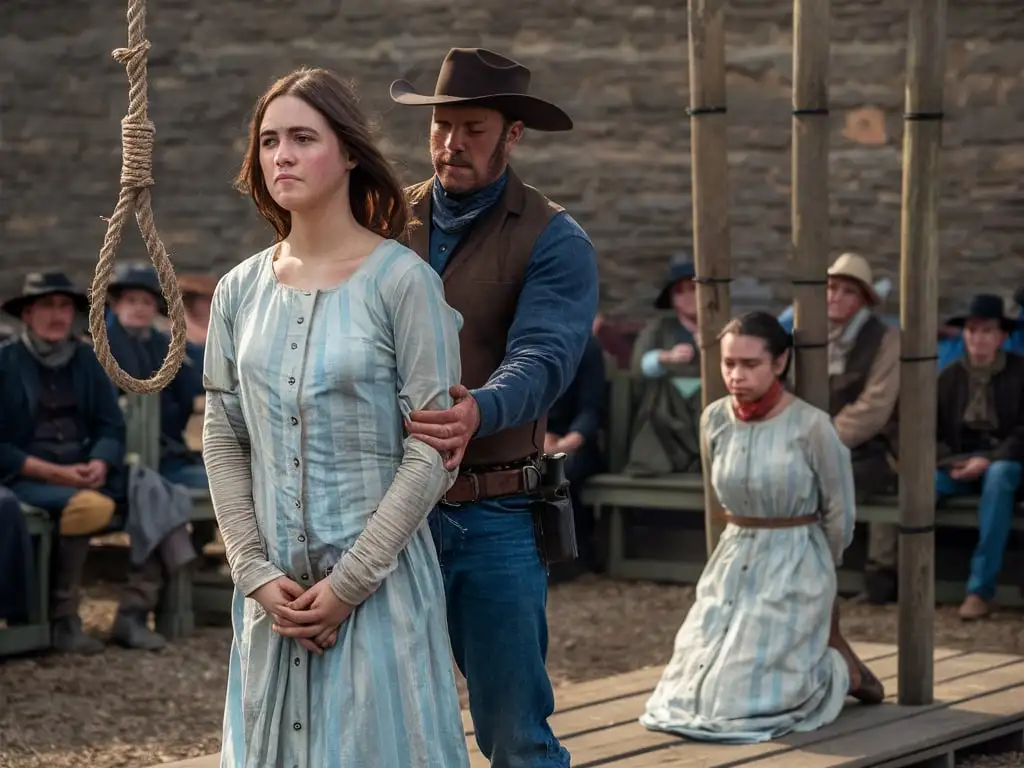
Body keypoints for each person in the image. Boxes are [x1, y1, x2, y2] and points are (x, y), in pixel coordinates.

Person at [202, 68, 470, 767]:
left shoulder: (405, 283)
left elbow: (432, 452)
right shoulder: (239, 290)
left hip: (376, 595)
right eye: (268, 141)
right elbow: (224, 437)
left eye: (301, 138)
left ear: (349, 152)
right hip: (274, 603)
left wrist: (348, 585)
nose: (280, 155)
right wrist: (253, 571)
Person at [393, 48, 600, 767]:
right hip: (386, 507)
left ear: (513, 135)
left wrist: (478, 409)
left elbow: (543, 358)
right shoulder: (382, 219)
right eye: (442, 127)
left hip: (495, 509)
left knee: (514, 732)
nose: (451, 144)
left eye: (472, 128)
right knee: (384, 718)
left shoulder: (555, 238)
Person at [640, 311, 883, 744]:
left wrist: (818, 571)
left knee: (747, 701)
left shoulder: (812, 426)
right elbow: (718, 493)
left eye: (750, 364)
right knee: (688, 693)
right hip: (734, 556)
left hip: (796, 558)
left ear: (780, 363)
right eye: (729, 363)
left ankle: (837, 668)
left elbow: (839, 512)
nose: (736, 374)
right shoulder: (714, 419)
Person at [934, 294, 1024, 620]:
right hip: (959, 464)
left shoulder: (1020, 372)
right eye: (971, 331)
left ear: (1001, 336)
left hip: (1006, 464)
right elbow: (929, 432)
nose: (977, 338)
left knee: (999, 478)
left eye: (986, 331)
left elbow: (1022, 433)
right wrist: (950, 462)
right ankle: (908, 577)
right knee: (921, 484)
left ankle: (979, 589)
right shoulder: (949, 377)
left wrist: (990, 459)